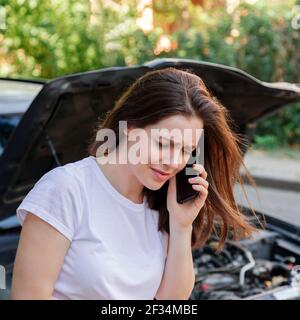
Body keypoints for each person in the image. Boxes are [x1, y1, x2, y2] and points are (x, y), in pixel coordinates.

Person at [10, 67, 258, 300]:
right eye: (163, 143)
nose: (173, 162)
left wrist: (181, 225)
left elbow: (171, 301)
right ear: (129, 127)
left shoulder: (161, 202)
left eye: (186, 150)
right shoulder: (66, 189)